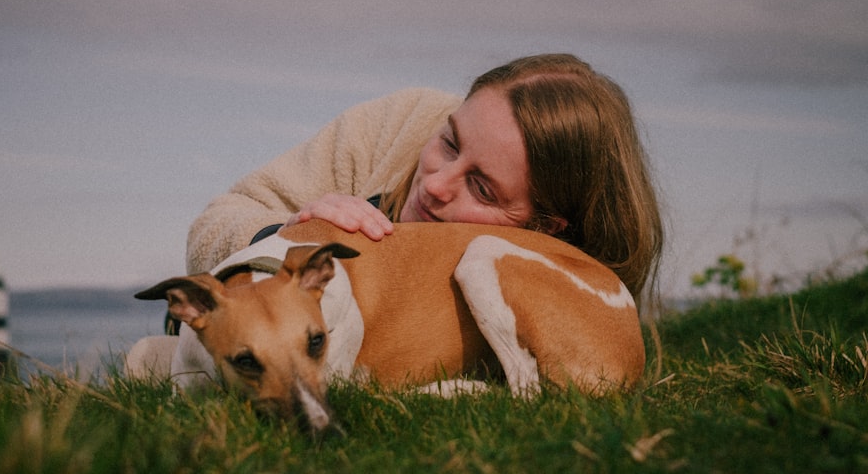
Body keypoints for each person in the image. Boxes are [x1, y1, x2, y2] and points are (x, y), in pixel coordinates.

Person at [184, 54, 663, 320]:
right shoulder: (400, 122)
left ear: (548, 228)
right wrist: (284, 237)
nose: (436, 184)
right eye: (450, 143)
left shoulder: (564, 284)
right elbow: (213, 223)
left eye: (483, 189)